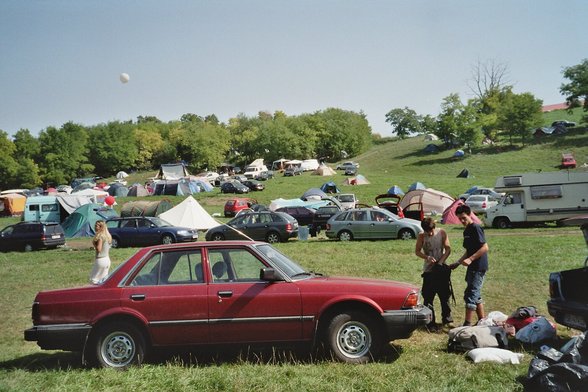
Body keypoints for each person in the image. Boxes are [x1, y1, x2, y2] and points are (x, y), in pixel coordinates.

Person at [450, 205, 489, 326]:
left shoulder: (476, 228)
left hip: (479, 266)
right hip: (472, 267)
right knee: (476, 294)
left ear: (469, 214)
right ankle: (482, 321)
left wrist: (471, 259)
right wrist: (458, 262)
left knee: (471, 294)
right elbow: (469, 250)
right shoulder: (466, 230)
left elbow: (485, 247)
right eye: (459, 219)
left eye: (464, 218)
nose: (462, 221)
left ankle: (467, 324)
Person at [415, 217, 452, 331]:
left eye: (431, 231)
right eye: (427, 232)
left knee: (445, 295)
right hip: (429, 270)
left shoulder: (441, 233)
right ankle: (430, 322)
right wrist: (427, 257)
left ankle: (447, 319)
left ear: (434, 228)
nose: (430, 233)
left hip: (440, 269)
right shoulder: (421, 236)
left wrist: (440, 262)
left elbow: (448, 249)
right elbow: (417, 251)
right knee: (428, 297)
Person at [89, 220, 112, 284]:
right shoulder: (108, 236)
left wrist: (94, 244)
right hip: (107, 259)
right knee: (103, 279)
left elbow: (99, 249)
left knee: (94, 279)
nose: (95, 227)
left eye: (96, 226)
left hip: (100, 260)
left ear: (101, 227)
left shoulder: (100, 236)